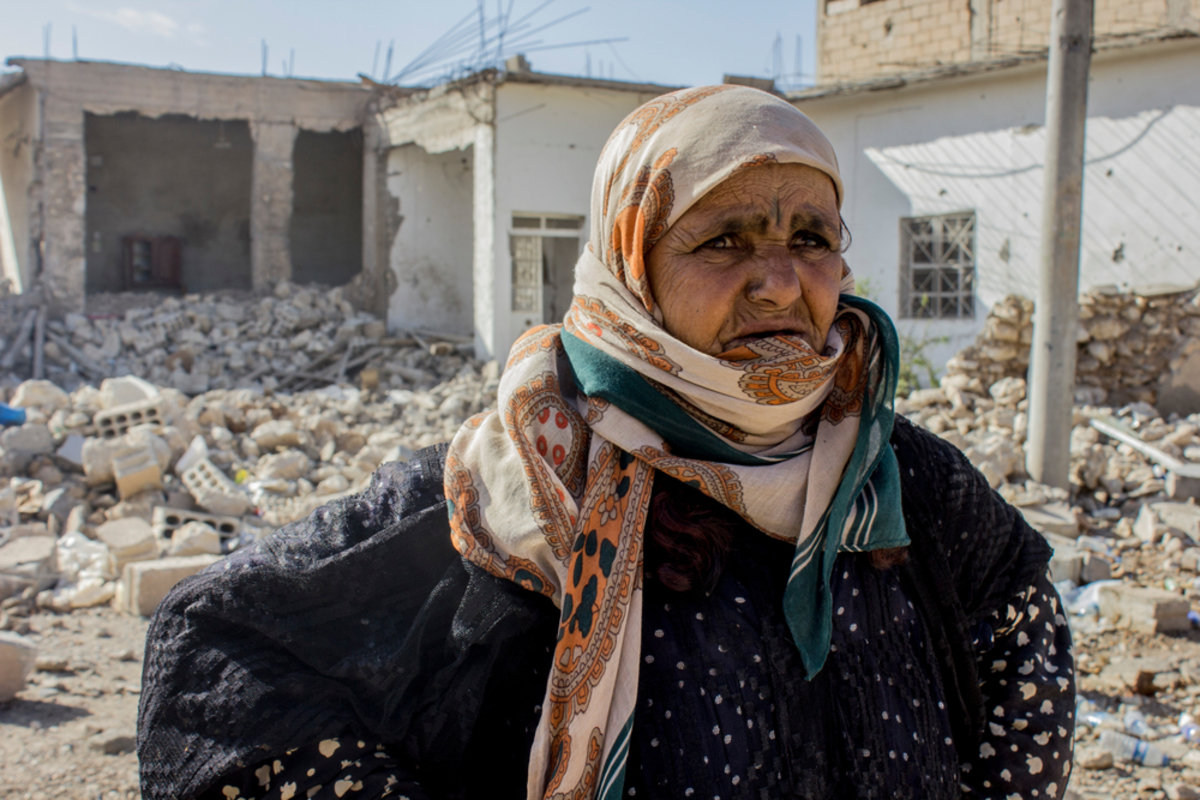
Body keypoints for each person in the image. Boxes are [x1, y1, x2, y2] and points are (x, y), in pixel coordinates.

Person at [138, 86, 1073, 800]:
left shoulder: (897, 473)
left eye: (811, 237)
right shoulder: (524, 480)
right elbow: (221, 654)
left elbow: (1021, 621)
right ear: (633, 264)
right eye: (725, 241)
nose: (782, 283)